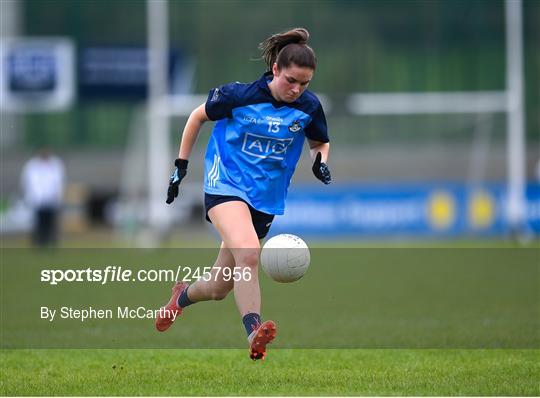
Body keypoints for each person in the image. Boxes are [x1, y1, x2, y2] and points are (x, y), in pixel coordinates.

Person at [155, 27, 331, 360]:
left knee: (219, 287)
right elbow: (197, 117)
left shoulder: (308, 107)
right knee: (249, 253)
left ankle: (180, 298)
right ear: (275, 70)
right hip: (225, 185)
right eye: (290, 80)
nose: (297, 89)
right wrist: (181, 164)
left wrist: (319, 161)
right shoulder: (238, 95)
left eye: (304, 83)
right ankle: (254, 331)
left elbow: (319, 142)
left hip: (264, 198)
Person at [20, 148, 65, 247]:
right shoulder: (32, 165)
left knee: (51, 223)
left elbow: (59, 182)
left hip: (51, 200)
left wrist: (58, 197)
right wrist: (32, 196)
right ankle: (39, 243)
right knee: (39, 223)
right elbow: (28, 182)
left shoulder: (55, 164)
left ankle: (51, 243)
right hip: (37, 200)